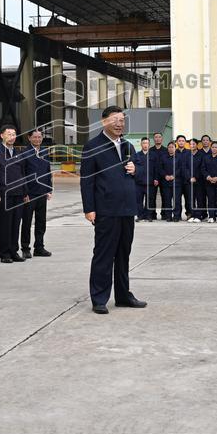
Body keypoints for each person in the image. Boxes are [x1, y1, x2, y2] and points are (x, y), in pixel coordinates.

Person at [79, 106, 145, 314]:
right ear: (104, 122)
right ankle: (99, 298)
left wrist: (136, 169)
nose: (119, 124)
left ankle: (123, 295)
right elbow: (86, 181)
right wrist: (89, 208)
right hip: (106, 210)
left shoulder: (127, 146)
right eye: (115, 120)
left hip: (127, 209)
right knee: (104, 255)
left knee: (124, 255)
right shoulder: (93, 146)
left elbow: (140, 170)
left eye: (122, 120)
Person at [0, 125, 29, 263]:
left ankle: (14, 251)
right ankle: (4, 253)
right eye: (9, 134)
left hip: (18, 194)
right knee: (5, 224)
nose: (12, 136)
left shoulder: (18, 152)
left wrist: (25, 192)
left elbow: (23, 174)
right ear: (2, 136)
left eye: (14, 134)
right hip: (4, 195)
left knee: (16, 223)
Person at [20, 129, 52, 257]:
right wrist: (24, 193)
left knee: (41, 222)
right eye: (35, 137)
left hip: (42, 193)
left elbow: (48, 171)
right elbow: (22, 174)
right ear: (29, 138)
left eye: (40, 137)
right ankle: (25, 248)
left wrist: (49, 188)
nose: (38, 139)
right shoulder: (24, 153)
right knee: (27, 222)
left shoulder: (44, 151)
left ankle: (39, 247)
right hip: (30, 194)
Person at [175, 135, 197, 221]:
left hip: (188, 180)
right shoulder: (174, 152)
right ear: (177, 142)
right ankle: (177, 215)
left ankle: (190, 214)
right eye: (179, 141)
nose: (181, 142)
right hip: (177, 180)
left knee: (189, 199)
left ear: (185, 142)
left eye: (182, 141)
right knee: (177, 199)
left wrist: (190, 177)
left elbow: (190, 166)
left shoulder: (189, 153)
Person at [133, 137, 154, 221]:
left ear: (149, 145)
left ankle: (148, 216)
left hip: (150, 182)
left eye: (147, 143)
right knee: (139, 200)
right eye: (144, 143)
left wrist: (156, 179)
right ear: (141, 144)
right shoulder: (136, 155)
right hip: (138, 182)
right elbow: (133, 167)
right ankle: (140, 216)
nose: (145, 145)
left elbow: (156, 168)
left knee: (149, 200)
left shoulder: (153, 155)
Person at [148, 132, 168, 220]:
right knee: (152, 197)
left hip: (164, 177)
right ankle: (152, 214)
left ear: (162, 139)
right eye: (156, 137)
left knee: (165, 196)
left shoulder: (166, 150)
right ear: (154, 139)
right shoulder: (150, 150)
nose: (157, 138)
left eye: (159, 137)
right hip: (153, 177)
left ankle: (164, 214)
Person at [203, 142, 217, 222]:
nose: (214, 148)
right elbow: (203, 168)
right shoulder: (206, 158)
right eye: (213, 147)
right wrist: (208, 177)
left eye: (216, 147)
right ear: (210, 148)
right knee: (210, 199)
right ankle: (211, 216)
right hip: (209, 182)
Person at [192, 135, 212, 221]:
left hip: (211, 180)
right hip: (200, 180)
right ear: (201, 142)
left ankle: (212, 215)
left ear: (209, 142)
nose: (205, 142)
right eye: (203, 140)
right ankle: (202, 215)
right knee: (200, 198)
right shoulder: (198, 153)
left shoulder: (213, 152)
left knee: (211, 198)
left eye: (207, 140)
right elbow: (197, 167)